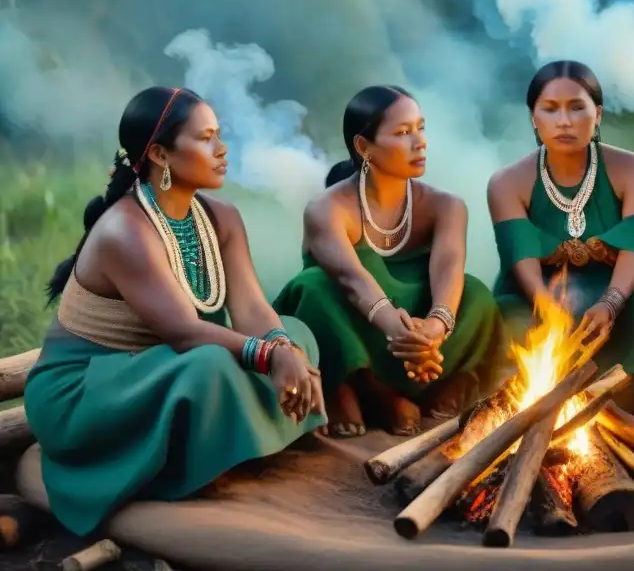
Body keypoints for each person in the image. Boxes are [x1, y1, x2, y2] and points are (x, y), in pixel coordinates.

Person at [24, 86, 327, 538]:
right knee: (210, 364)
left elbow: (249, 305)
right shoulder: (125, 231)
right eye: (206, 139)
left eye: (219, 135)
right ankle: (191, 469)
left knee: (298, 332)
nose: (222, 149)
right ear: (161, 154)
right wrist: (268, 357)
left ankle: (223, 444)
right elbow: (185, 333)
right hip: (85, 390)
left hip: (158, 366)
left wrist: (282, 346)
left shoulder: (221, 217)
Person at [273, 85, 508, 438]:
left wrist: (434, 329)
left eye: (420, 128)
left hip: (422, 335)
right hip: (365, 321)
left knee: (474, 292)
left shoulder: (447, 206)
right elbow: (352, 280)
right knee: (313, 287)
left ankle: (442, 388)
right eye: (402, 133)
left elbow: (448, 265)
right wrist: (399, 332)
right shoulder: (327, 208)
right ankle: (361, 388)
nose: (420, 142)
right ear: (364, 147)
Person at [487, 60, 634, 414]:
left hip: (623, 298)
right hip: (541, 299)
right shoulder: (507, 182)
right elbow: (519, 256)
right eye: (550, 110)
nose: (564, 121)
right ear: (533, 118)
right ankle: (536, 403)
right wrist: (547, 308)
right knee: (503, 313)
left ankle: (627, 398)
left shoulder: (633, 169)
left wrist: (611, 303)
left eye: (577, 108)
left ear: (597, 114)